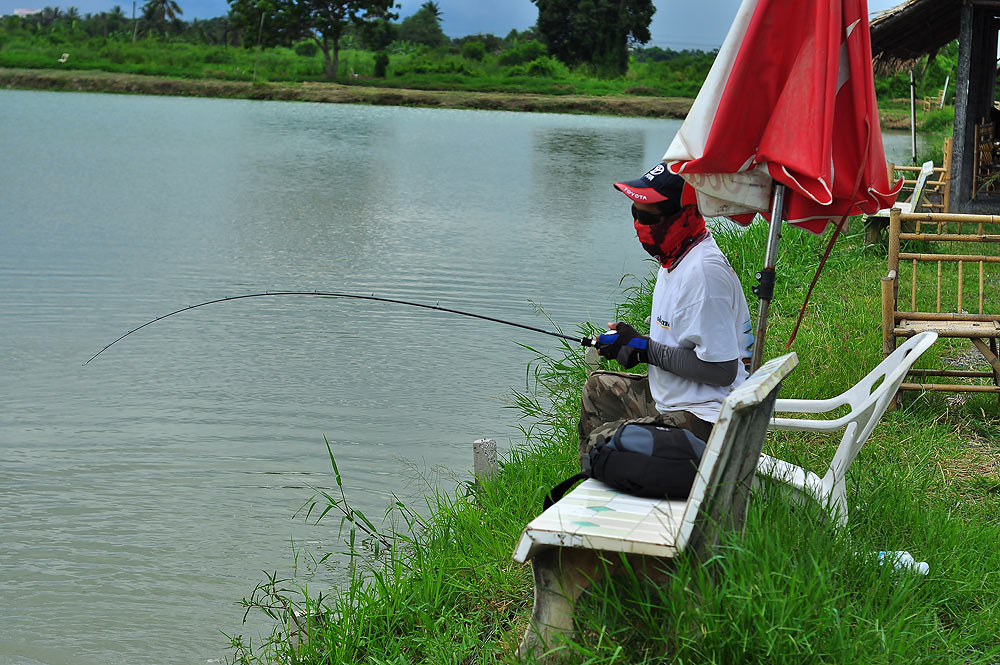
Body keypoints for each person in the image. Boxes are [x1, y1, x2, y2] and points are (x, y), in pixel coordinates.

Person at [578, 162, 754, 465]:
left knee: (600, 445)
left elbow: (722, 370)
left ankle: (613, 487)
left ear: (685, 217)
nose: (638, 224)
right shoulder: (675, 259)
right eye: (635, 214)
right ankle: (608, 481)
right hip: (674, 400)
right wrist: (629, 344)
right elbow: (680, 344)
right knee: (598, 388)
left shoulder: (703, 274)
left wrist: (645, 349)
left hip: (707, 421)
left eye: (648, 217)